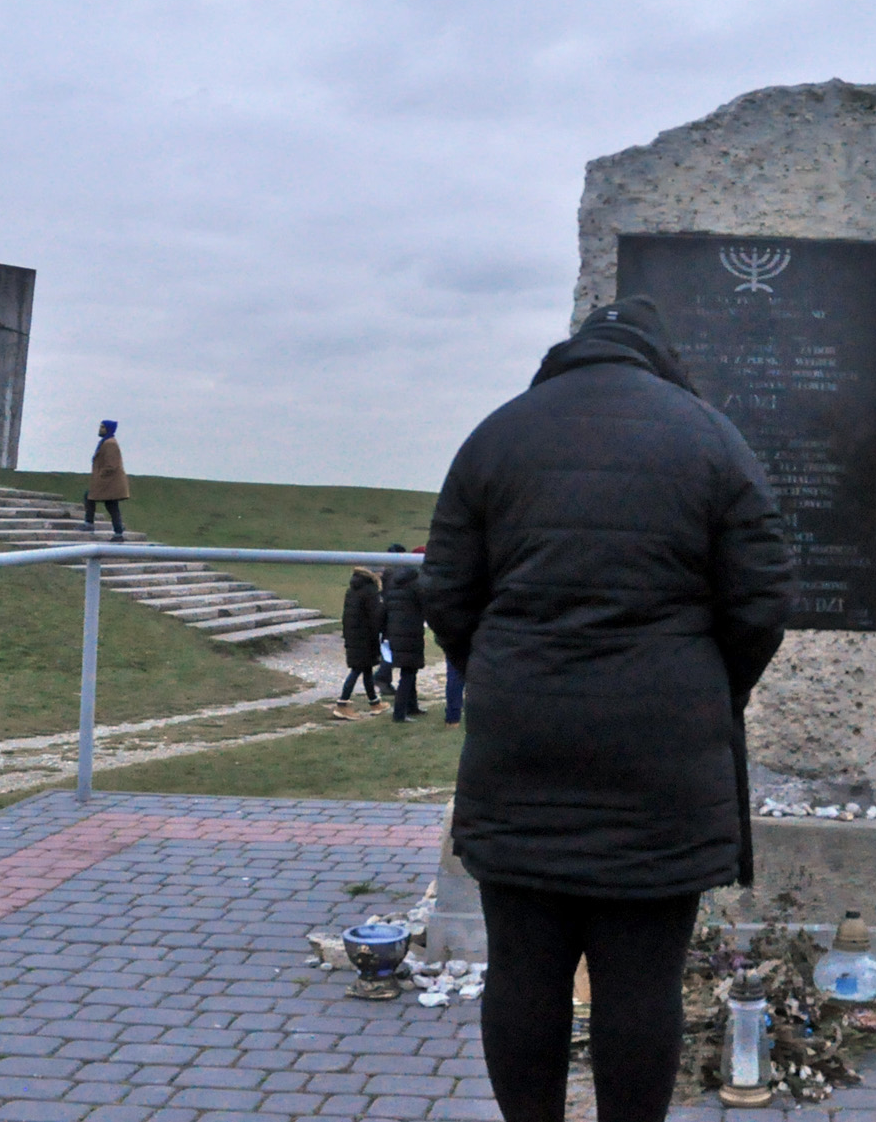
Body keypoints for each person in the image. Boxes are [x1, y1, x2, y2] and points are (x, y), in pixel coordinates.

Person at [420, 295, 790, 1122]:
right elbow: (763, 597)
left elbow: (445, 585)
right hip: (662, 756)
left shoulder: (498, 433)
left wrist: (504, 671)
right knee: (642, 981)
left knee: (521, 970)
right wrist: (703, 684)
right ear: (658, 355)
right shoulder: (711, 437)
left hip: (521, 748)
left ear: (573, 350)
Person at [381, 543, 427, 721]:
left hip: (395, 632)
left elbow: (384, 610)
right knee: (408, 673)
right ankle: (399, 713)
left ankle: (412, 706)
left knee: (409, 670)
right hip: (411, 632)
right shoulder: (416, 586)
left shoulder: (393, 585)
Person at [336, 567, 385, 719]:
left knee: (366, 669)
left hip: (353, 634)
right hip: (365, 636)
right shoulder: (370, 591)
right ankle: (342, 704)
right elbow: (375, 617)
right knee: (357, 669)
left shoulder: (352, 590)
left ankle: (374, 702)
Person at [84, 420, 129, 542]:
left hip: (109, 482)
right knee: (110, 505)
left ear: (108, 429)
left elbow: (111, 465)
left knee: (91, 497)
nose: (100, 429)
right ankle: (118, 532)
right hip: (108, 481)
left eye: (103, 427)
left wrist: (100, 475)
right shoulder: (106, 442)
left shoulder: (110, 444)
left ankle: (90, 524)